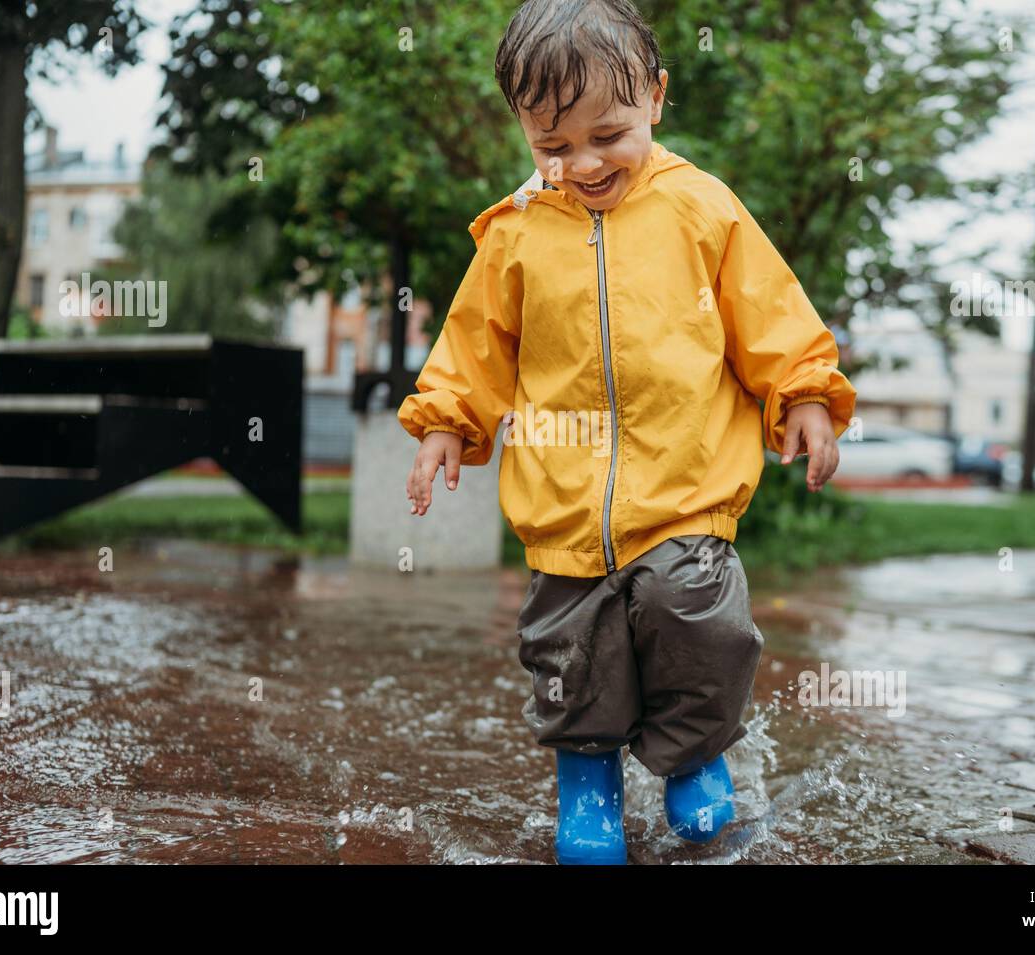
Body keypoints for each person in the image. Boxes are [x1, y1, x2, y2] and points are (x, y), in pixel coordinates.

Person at [399, 0, 857, 864]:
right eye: (553, 146)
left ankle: (693, 757)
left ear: (655, 95)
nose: (582, 164)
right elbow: (473, 345)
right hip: (564, 505)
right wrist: (445, 425)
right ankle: (589, 790)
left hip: (686, 489)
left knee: (701, 629)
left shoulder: (702, 208)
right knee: (572, 654)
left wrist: (803, 393)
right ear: (524, 131)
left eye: (606, 135)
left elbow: (770, 312)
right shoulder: (515, 233)